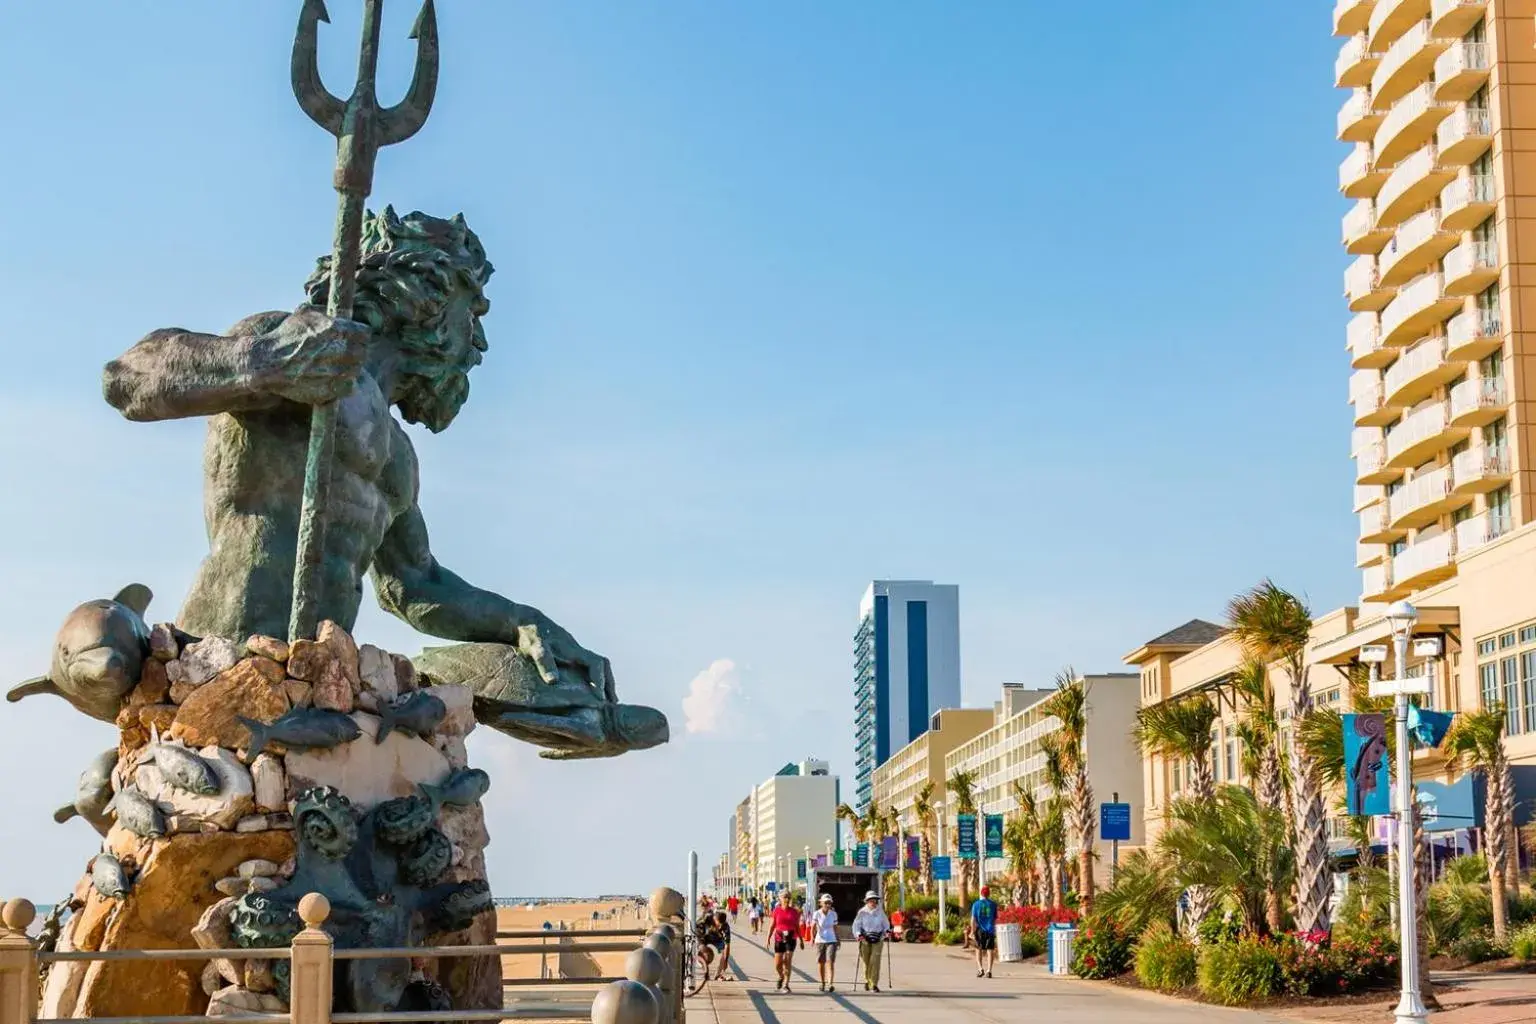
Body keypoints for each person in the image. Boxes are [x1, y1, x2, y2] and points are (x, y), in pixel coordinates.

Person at [851, 891, 890, 993]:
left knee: (875, 961)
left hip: (878, 939)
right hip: (865, 939)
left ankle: (874, 984)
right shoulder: (862, 912)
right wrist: (858, 935)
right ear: (867, 901)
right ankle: (867, 981)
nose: (873, 902)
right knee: (866, 962)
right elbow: (856, 925)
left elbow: (886, 924)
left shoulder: (880, 912)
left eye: (875, 900)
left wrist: (887, 931)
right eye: (871, 900)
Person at [769, 892, 802, 992]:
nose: (786, 899)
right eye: (784, 897)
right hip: (779, 938)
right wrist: (768, 938)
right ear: (780, 899)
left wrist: (801, 939)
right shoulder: (776, 910)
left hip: (791, 938)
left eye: (788, 897)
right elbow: (772, 925)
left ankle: (786, 984)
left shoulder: (794, 912)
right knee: (778, 964)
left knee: (788, 960)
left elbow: (797, 926)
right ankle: (781, 976)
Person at [811, 893, 840, 993]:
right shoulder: (817, 913)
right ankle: (822, 982)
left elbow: (835, 927)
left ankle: (830, 983)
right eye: (826, 903)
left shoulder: (833, 914)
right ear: (821, 903)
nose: (828, 905)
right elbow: (813, 927)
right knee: (821, 962)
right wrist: (812, 938)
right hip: (820, 940)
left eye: (829, 903)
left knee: (830, 961)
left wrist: (838, 939)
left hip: (831, 939)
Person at [970, 886, 999, 978]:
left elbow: (973, 920)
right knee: (990, 950)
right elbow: (994, 919)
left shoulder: (976, 904)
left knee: (978, 950)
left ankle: (980, 969)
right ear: (989, 894)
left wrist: (972, 931)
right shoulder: (993, 904)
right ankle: (989, 971)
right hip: (990, 930)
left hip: (980, 931)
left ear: (981, 893)